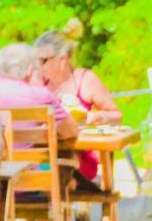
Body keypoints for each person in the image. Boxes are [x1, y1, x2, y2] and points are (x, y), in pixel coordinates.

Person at [0, 43, 80, 221]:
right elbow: (70, 132)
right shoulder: (40, 96)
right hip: (30, 180)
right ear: (28, 70)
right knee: (50, 165)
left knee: (39, 164)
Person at [35, 28, 122, 184]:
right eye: (36, 61)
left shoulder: (84, 80)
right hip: (45, 156)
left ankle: (58, 204)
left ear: (62, 59)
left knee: (60, 168)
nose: (38, 66)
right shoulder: (38, 82)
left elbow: (117, 116)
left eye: (43, 61)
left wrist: (99, 116)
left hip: (79, 159)